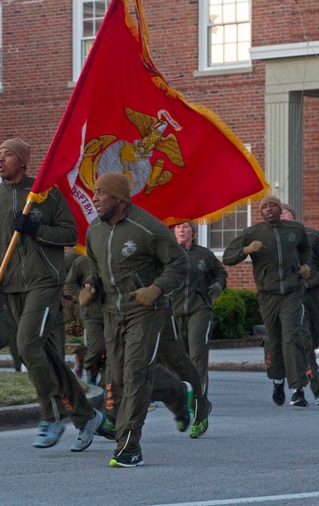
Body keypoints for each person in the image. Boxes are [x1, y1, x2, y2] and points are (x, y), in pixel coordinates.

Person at [0, 138, 108, 453]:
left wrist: (36, 228)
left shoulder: (46, 195)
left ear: (22, 161)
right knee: (45, 354)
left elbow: (71, 234)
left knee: (27, 345)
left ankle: (52, 416)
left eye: (7, 155)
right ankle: (87, 417)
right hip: (11, 287)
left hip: (45, 283)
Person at [84, 172, 190, 468]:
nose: (95, 198)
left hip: (146, 312)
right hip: (111, 314)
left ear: (119, 197)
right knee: (117, 378)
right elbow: (95, 267)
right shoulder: (95, 231)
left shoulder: (148, 228)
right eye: (95, 193)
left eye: (101, 193)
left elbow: (179, 263)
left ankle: (129, 446)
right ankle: (178, 394)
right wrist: (90, 287)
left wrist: (157, 288)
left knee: (134, 375)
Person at [223, 196, 313, 407]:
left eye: (272, 205)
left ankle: (298, 389)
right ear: (261, 212)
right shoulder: (252, 233)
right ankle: (277, 381)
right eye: (264, 207)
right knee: (273, 340)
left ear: (279, 209)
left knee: (291, 338)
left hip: (291, 292)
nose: (269, 209)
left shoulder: (295, 230)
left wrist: (306, 266)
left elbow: (306, 250)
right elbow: (227, 257)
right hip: (267, 295)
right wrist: (246, 250)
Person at [280, 203, 319, 405]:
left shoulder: (314, 236)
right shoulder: (277, 244)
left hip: (315, 294)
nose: (281, 218)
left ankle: (300, 379)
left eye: (284, 214)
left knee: (316, 338)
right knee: (303, 342)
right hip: (294, 297)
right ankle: (314, 389)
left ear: (293, 216)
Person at [171, 221, 227, 397]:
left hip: (199, 309)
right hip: (174, 311)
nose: (182, 230)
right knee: (180, 358)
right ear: (173, 231)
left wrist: (218, 284)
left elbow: (221, 273)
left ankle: (199, 397)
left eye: (186, 227)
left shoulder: (204, 254)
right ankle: (183, 394)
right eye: (178, 227)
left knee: (197, 354)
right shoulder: (168, 255)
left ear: (193, 231)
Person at [65, 249, 105, 386]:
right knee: (96, 347)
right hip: (91, 314)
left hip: (114, 311)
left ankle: (108, 384)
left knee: (112, 350)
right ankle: (91, 375)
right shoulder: (82, 261)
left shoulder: (114, 257)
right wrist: (81, 295)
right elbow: (70, 284)